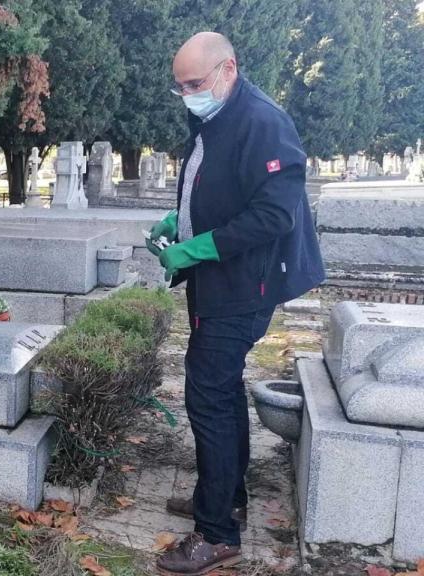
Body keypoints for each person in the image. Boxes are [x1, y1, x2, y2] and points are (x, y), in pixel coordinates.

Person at [147, 32, 325, 576]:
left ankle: (217, 534)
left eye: (194, 84)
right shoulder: (213, 113)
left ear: (229, 69)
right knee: (218, 391)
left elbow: (275, 215)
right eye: (178, 88)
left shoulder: (263, 121)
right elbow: (215, 185)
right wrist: (180, 221)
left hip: (245, 286)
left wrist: (195, 247)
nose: (186, 96)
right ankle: (227, 497)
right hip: (218, 280)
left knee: (208, 394)